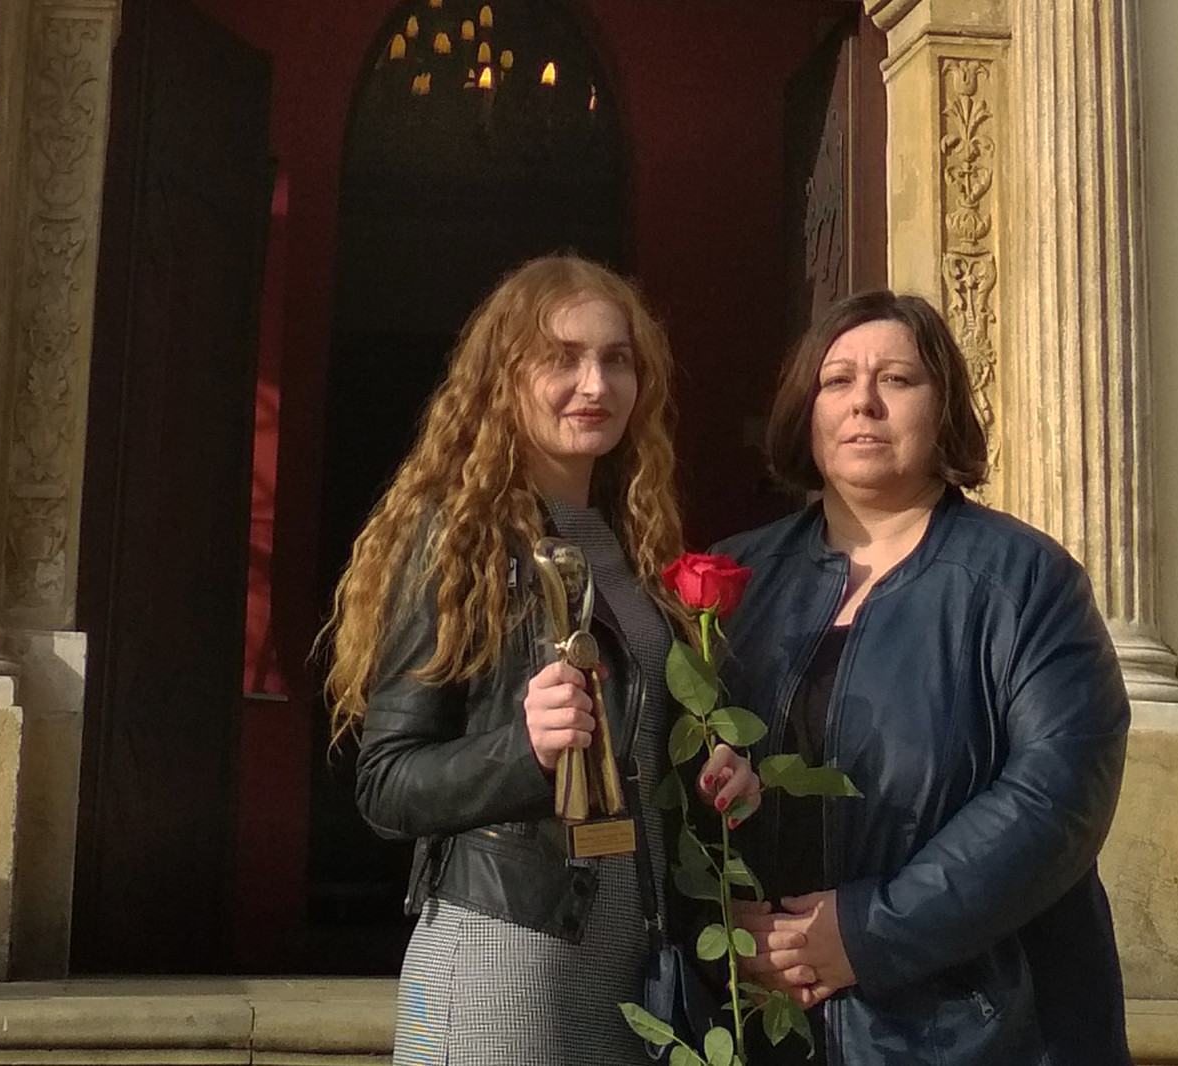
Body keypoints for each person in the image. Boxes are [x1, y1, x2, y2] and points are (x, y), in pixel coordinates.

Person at [322, 255, 756, 1065]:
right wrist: (525, 750)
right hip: (499, 960)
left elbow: (633, 754)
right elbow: (386, 783)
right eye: (563, 358)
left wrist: (712, 771)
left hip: (631, 965)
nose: (595, 384)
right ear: (504, 377)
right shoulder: (457, 540)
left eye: (617, 360)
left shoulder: (634, 548)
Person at [713, 290, 1131, 1066]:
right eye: (837, 380)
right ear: (806, 408)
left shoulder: (1026, 581)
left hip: (972, 1029)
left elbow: (1058, 797)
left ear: (943, 408)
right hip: (761, 1021)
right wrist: (715, 913)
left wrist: (868, 932)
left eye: (897, 380)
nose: (863, 403)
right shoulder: (735, 580)